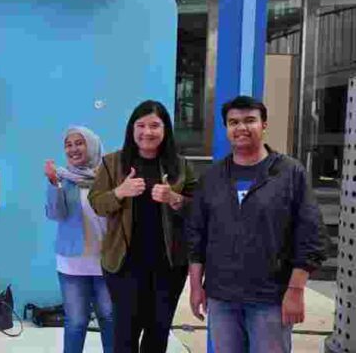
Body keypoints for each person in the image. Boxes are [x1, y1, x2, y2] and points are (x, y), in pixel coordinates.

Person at [186, 96, 328, 353]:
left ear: (264, 125)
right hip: (221, 297)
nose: (241, 128)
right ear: (226, 129)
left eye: (250, 120)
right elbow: (197, 235)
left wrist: (295, 291)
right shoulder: (212, 177)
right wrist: (196, 287)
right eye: (234, 122)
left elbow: (311, 235)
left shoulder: (289, 173)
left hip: (270, 298)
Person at [88, 100, 197, 353]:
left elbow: (199, 210)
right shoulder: (112, 163)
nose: (147, 132)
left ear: (165, 129)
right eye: (141, 125)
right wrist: (120, 192)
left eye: (155, 125)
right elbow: (96, 203)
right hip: (124, 264)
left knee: (157, 334)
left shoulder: (181, 166)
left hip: (169, 266)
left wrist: (174, 198)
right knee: (124, 335)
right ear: (132, 129)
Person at [45, 126, 114, 353]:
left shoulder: (110, 176)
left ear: (92, 145)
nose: (73, 149)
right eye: (68, 145)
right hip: (72, 264)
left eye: (79, 143)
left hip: (107, 262)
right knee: (76, 322)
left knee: (110, 318)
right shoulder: (64, 178)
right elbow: (55, 214)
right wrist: (53, 184)